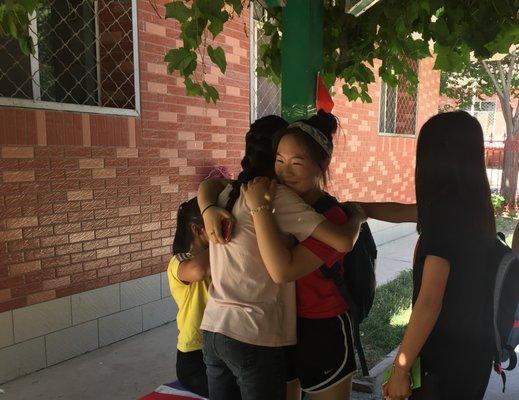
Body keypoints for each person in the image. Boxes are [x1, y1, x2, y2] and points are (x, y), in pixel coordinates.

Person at [197, 114, 365, 400]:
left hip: (215, 327)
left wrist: (207, 207)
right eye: (280, 159)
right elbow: (334, 244)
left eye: (296, 161)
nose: (286, 170)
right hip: (255, 332)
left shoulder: (227, 194)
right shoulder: (274, 198)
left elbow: (210, 185)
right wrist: (357, 219)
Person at [383, 111, 496, 399]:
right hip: (474, 355)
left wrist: (400, 370)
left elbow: (429, 302)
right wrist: (358, 208)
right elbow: (407, 211)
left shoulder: (446, 214)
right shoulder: (473, 204)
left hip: (445, 363)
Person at [167, 198, 210, 398]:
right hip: (194, 355)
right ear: (196, 228)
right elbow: (198, 271)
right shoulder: (179, 261)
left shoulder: (217, 256)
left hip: (220, 346)